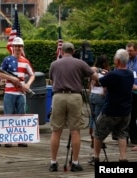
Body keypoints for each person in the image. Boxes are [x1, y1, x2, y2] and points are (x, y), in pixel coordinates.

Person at [48, 42, 98, 172]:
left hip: (58, 96)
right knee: (75, 130)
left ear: (62, 51)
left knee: (56, 130)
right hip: (75, 96)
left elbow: (52, 80)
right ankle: (75, 162)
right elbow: (94, 77)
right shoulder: (80, 63)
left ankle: (53, 162)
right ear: (73, 51)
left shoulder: (54, 64)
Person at [93, 49, 134, 162]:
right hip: (125, 110)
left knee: (98, 132)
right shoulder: (130, 73)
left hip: (111, 110)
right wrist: (108, 74)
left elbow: (99, 82)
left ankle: (96, 157)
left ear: (117, 60)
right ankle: (123, 157)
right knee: (122, 133)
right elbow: (116, 79)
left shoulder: (113, 74)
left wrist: (94, 73)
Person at [0, 37, 35, 148]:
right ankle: (8, 139)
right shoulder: (7, 59)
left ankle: (21, 139)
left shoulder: (25, 61)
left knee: (21, 116)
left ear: (22, 47)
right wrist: (12, 79)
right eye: (16, 46)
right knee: (8, 115)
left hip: (21, 93)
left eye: (19, 46)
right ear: (12, 47)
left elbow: (32, 74)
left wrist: (28, 85)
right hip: (9, 92)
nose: (18, 48)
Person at [87, 54, 110, 165]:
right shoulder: (106, 73)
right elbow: (106, 88)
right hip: (100, 96)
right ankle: (97, 139)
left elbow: (89, 84)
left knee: (92, 118)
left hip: (92, 95)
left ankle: (92, 139)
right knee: (99, 120)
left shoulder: (93, 71)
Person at [126, 42, 137, 145]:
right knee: (128, 116)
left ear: (136, 51)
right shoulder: (125, 61)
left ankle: (134, 137)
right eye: (127, 50)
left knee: (134, 115)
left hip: (136, 92)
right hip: (127, 93)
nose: (128, 53)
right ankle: (129, 137)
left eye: (130, 51)